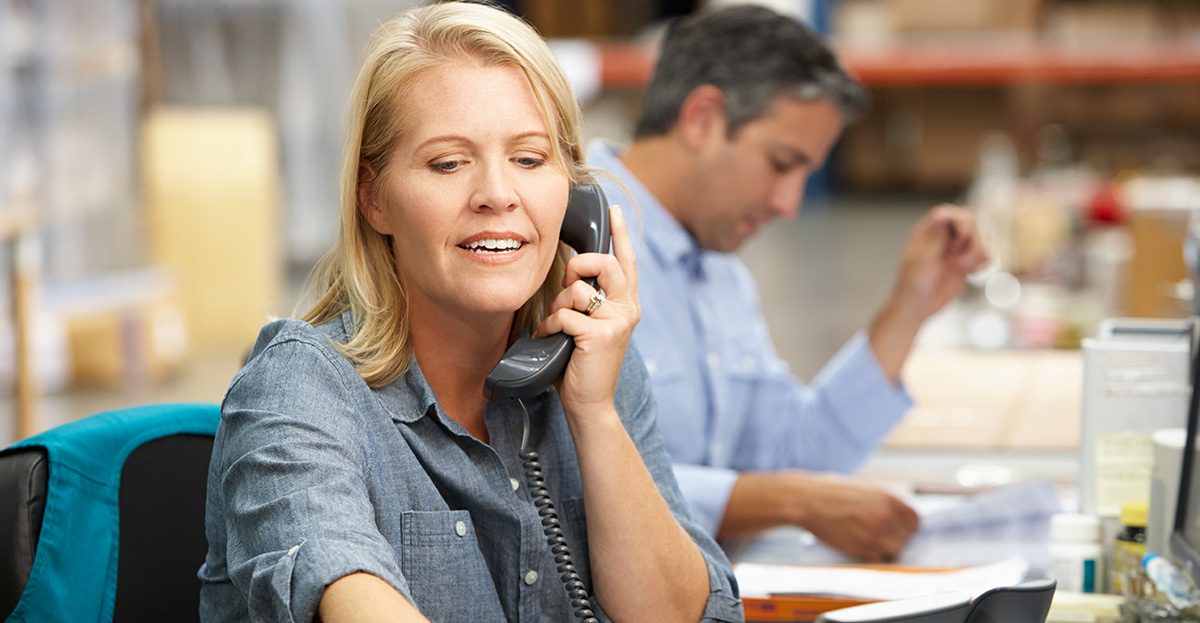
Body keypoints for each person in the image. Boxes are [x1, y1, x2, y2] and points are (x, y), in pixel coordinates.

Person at [198, 4, 742, 622]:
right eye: (448, 163)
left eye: (531, 159)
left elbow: (685, 615)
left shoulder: (595, 363)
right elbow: (351, 598)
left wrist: (593, 415)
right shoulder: (300, 389)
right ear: (374, 200)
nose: (498, 195)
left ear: (572, 196)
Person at [587, 4, 989, 562]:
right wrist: (784, 500)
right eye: (780, 164)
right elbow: (565, 479)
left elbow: (794, 455)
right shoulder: (567, 243)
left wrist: (910, 307)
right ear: (702, 118)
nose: (788, 204)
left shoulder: (721, 276)